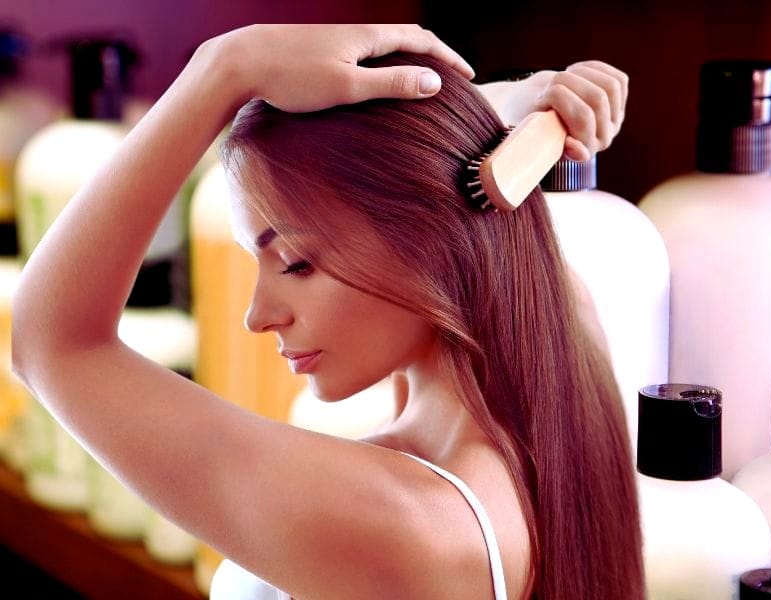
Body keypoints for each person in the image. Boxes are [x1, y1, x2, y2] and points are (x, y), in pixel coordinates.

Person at [12, 24, 641, 600]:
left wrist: (226, 65)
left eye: (294, 262)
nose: (257, 317)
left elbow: (54, 344)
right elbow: (455, 206)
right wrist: (491, 112)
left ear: (426, 240)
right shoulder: (563, 334)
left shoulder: (408, 528)